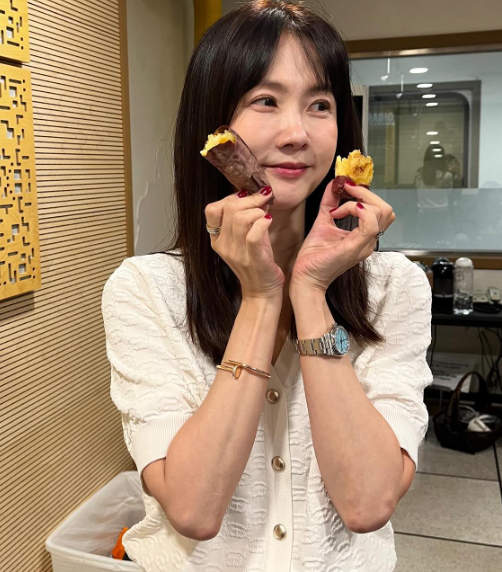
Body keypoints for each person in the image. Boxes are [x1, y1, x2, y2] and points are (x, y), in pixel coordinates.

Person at [101, 1, 433, 570]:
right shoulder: (145, 290)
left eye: (320, 104)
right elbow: (193, 509)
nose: (297, 133)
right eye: (265, 100)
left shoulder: (394, 287)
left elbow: (367, 502)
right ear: (213, 126)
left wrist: (310, 292)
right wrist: (259, 300)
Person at [414, 144, 455, 247]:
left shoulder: (419, 174)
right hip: (441, 211)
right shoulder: (447, 175)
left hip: (423, 212)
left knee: (425, 243)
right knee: (445, 243)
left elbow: (418, 190)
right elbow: (448, 192)